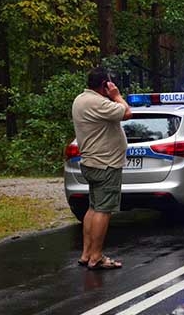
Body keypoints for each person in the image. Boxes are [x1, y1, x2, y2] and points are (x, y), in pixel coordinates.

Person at [72, 67, 132, 270]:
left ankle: (86, 253)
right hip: (106, 163)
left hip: (91, 162)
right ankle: (96, 256)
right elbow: (126, 112)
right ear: (104, 85)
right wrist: (117, 95)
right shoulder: (99, 103)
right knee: (104, 210)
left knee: (93, 207)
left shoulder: (80, 99)